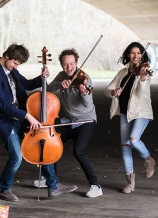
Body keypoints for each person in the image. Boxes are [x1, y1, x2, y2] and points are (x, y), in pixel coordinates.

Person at [0, 43, 77, 202]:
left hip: (21, 115)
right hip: (6, 120)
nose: (16, 66)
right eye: (15, 63)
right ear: (6, 55)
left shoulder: (12, 70)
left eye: (19, 64)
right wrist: (27, 116)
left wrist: (42, 77)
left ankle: (53, 186)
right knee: (17, 155)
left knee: (44, 143)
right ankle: (4, 188)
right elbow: (3, 104)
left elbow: (26, 84)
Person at [47, 48, 103, 198]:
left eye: (72, 64)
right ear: (62, 66)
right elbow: (49, 90)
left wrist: (83, 92)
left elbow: (87, 104)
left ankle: (96, 186)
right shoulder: (61, 76)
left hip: (86, 120)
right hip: (70, 120)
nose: (69, 67)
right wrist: (60, 84)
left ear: (77, 63)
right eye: (66, 64)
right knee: (51, 144)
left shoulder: (85, 79)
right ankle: (51, 180)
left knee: (79, 151)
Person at [104, 42, 155, 194]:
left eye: (139, 53)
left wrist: (143, 77)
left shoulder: (145, 71)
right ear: (128, 55)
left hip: (141, 112)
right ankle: (130, 182)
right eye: (132, 53)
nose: (136, 56)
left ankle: (148, 159)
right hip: (126, 113)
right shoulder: (122, 73)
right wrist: (114, 92)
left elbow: (142, 92)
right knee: (125, 146)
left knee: (133, 139)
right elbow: (107, 90)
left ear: (142, 55)